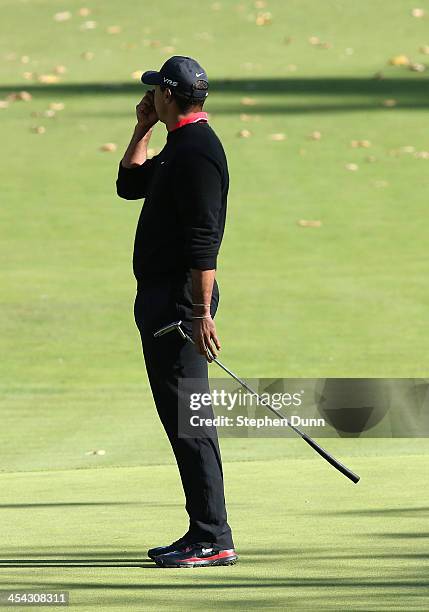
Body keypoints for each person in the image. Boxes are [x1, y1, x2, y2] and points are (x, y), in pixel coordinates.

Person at [115, 56, 237, 568]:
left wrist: (199, 311)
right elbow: (128, 185)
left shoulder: (198, 153)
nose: (150, 99)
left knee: (191, 421)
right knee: (182, 419)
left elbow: (204, 240)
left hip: (180, 304)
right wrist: (142, 129)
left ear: (169, 95)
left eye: (154, 95)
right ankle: (203, 531)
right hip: (165, 300)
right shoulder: (176, 146)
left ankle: (212, 535)